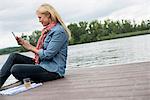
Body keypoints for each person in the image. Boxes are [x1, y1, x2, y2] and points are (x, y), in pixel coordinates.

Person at [0, 3, 71, 88]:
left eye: (40, 17)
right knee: (14, 56)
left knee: (15, 69)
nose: (39, 20)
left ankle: (30, 77)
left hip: (53, 71)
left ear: (48, 15)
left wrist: (30, 47)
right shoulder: (47, 31)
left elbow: (47, 55)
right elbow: (41, 53)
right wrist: (25, 45)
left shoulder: (59, 32)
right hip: (42, 65)